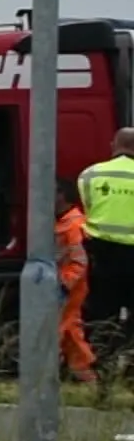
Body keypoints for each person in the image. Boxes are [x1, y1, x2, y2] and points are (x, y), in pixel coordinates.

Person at [79, 128, 134, 355]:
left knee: (101, 314)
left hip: (102, 256)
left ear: (113, 145)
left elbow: (87, 208)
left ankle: (102, 363)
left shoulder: (90, 175)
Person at [55, 175, 97, 384]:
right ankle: (88, 376)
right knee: (69, 333)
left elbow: (79, 261)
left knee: (65, 330)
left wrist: (64, 284)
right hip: (65, 286)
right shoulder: (65, 222)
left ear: (62, 196)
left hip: (70, 289)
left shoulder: (73, 225)